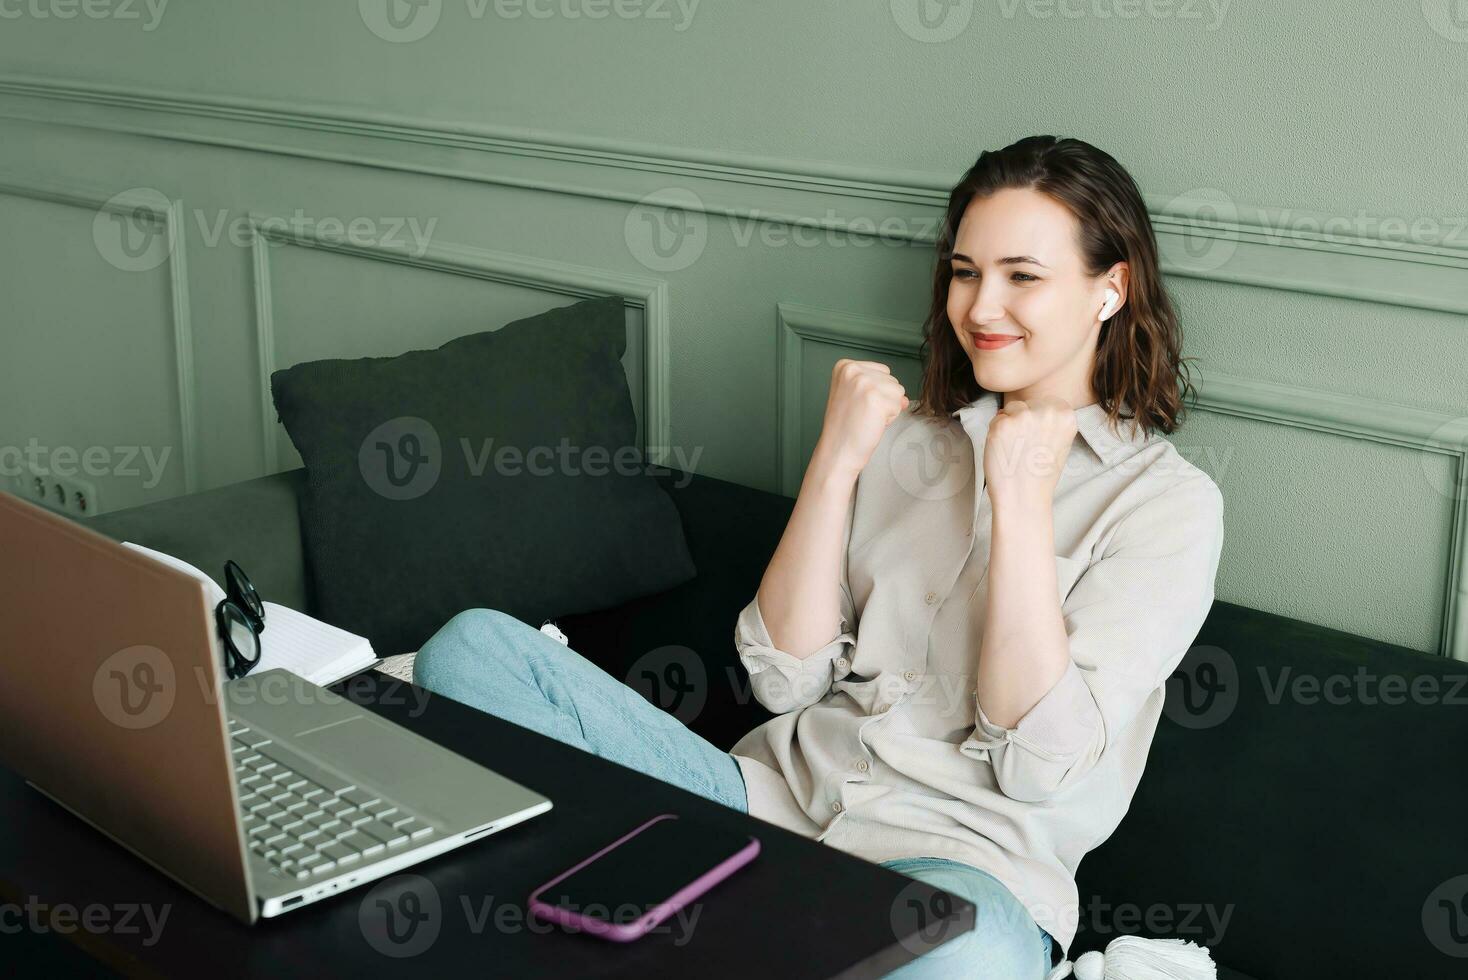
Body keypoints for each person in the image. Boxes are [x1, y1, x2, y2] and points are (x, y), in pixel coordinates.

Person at [413, 135, 1225, 978]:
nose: (982, 307)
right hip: (764, 812)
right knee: (472, 652)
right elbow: (784, 680)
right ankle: (703, 916)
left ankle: (680, 927)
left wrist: (1020, 501)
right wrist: (836, 460)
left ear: (1110, 289)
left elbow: (1037, 765)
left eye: (1023, 276)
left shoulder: (1168, 507)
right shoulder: (909, 440)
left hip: (964, 869)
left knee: (967, 956)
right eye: (964, 271)